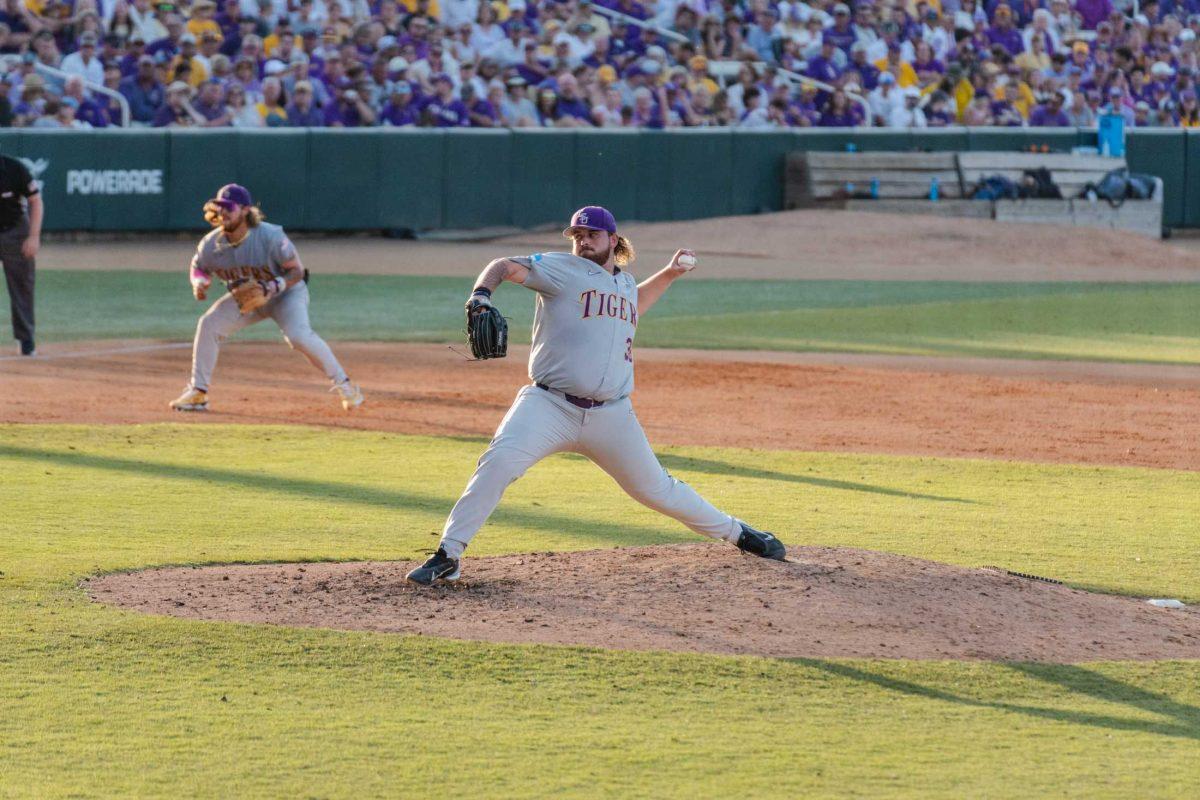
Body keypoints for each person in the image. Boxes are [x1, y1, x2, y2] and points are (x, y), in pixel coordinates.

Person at [405, 205, 786, 586]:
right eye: (577, 236)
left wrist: (670, 273)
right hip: (548, 405)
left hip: (612, 416)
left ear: (614, 241)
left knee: (657, 490)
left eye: (591, 235)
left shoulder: (623, 284)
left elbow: (634, 303)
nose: (583, 242)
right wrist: (481, 295)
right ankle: (449, 554)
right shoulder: (561, 269)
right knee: (498, 462)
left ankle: (739, 533)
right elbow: (503, 264)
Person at [170, 184, 363, 413]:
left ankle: (345, 385)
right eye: (220, 207)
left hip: (286, 294)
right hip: (246, 299)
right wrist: (199, 283)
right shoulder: (212, 245)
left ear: (245, 210)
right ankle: (198, 393)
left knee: (298, 336)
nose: (223, 213)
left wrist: (274, 285)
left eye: (228, 208)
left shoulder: (270, 236)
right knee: (209, 324)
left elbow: (297, 272)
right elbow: (199, 267)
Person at [0, 151, 42, 356]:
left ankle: (26, 340)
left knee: (22, 286)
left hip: (15, 231)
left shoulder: (14, 168)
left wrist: (33, 237)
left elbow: (35, 201)